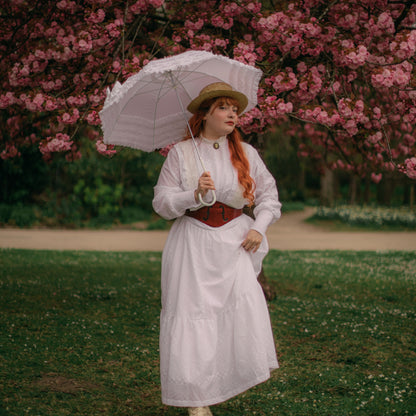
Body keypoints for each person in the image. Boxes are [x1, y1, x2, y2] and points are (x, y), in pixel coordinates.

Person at [152, 82, 282, 416]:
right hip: (193, 244)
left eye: (235, 109)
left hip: (235, 243)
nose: (232, 114)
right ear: (206, 113)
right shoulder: (181, 153)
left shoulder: (247, 153)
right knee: (194, 317)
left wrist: (258, 227)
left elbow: (269, 197)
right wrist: (191, 195)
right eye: (224, 107)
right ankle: (197, 402)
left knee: (237, 313)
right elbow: (162, 203)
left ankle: (221, 382)